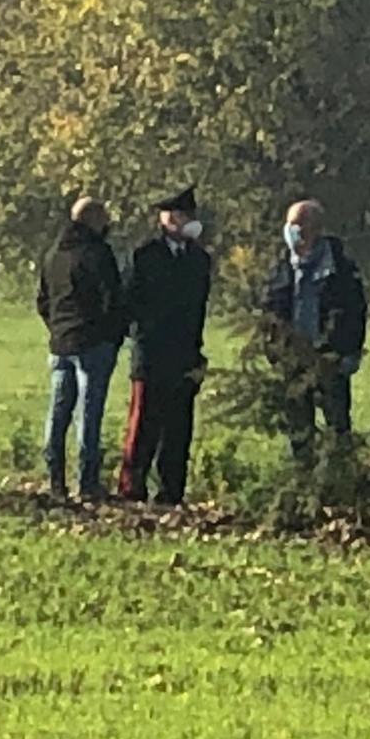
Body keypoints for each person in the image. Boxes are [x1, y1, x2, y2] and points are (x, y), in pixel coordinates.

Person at [118, 184, 212, 505]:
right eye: (175, 214)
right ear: (165, 219)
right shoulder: (145, 255)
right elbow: (127, 301)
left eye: (186, 214)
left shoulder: (200, 260)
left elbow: (198, 308)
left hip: (185, 354)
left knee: (178, 429)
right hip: (151, 353)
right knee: (143, 424)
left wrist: (197, 354)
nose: (181, 220)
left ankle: (172, 491)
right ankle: (132, 487)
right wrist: (142, 332)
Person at [260, 199, 368, 465]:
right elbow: (270, 311)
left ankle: (340, 478)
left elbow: (354, 312)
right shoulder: (282, 266)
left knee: (337, 425)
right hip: (293, 360)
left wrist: (346, 353)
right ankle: (302, 478)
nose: (290, 230)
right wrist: (275, 351)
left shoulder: (340, 267)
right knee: (298, 427)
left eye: (296, 224)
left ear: (313, 228)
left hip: (330, 359)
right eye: (289, 224)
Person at [36, 196, 126, 502]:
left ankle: (55, 481)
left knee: (58, 412)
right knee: (88, 413)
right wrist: (112, 336)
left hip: (60, 343)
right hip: (92, 345)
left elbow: (43, 301)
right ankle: (87, 483)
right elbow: (112, 299)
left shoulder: (53, 255)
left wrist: (57, 328)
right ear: (94, 221)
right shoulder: (97, 253)